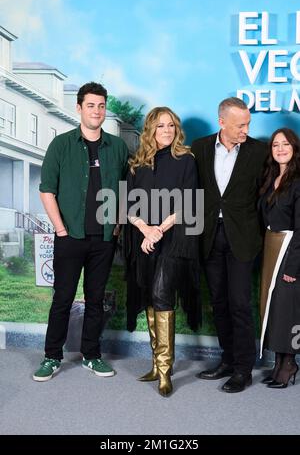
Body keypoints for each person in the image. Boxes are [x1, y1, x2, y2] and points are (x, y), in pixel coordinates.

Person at [33, 82, 129, 382]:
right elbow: (46, 190)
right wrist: (60, 229)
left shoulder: (118, 147)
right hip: (69, 236)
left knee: (96, 299)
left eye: (101, 105)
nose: (97, 111)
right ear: (78, 108)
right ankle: (51, 356)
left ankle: (91, 355)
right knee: (62, 298)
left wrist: (116, 225)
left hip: (103, 239)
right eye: (91, 105)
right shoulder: (61, 145)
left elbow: (126, 191)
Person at [191, 97, 267, 393]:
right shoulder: (199, 148)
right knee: (220, 303)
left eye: (248, 124)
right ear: (221, 122)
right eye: (240, 125)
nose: (246, 130)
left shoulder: (259, 152)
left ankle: (243, 369)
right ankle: (227, 359)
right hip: (209, 235)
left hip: (243, 237)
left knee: (239, 304)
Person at [124, 107, 202, 397]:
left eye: (171, 125)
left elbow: (188, 202)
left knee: (161, 293)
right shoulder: (136, 164)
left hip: (175, 238)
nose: (167, 130)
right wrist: (146, 230)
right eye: (160, 126)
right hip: (145, 238)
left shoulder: (186, 160)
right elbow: (128, 206)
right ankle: (156, 364)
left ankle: (165, 371)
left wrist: (158, 229)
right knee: (148, 295)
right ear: (150, 131)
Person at [259, 128, 300, 389]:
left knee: (289, 309)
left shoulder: (298, 181)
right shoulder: (271, 177)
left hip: (291, 248)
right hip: (271, 246)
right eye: (275, 145)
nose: (280, 149)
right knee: (273, 307)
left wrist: (294, 266)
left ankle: (289, 364)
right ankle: (277, 362)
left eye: (286, 144)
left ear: (294, 148)